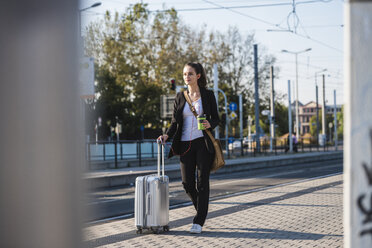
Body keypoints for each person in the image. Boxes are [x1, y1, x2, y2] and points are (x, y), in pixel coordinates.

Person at [157, 62, 220, 234]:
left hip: (202, 143)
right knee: (187, 183)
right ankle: (202, 209)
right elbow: (174, 123)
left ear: (198, 76)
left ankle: (198, 221)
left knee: (202, 183)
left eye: (190, 74)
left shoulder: (208, 95)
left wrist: (210, 123)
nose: (187, 77)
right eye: (185, 74)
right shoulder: (180, 97)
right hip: (185, 144)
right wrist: (166, 135)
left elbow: (217, 118)